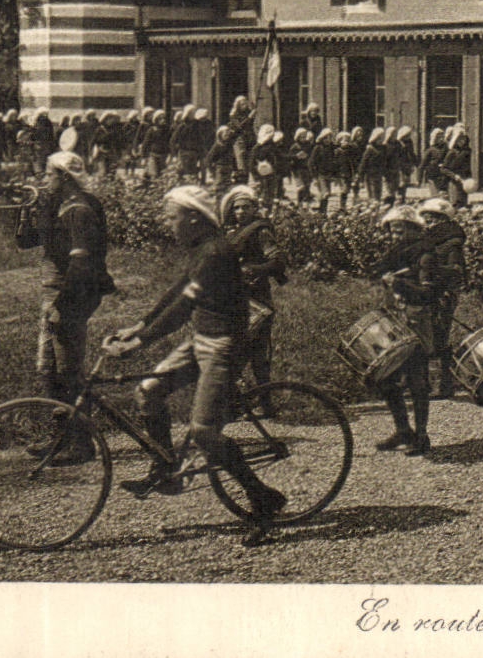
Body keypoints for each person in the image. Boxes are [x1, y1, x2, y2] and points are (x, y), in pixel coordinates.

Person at [103, 186, 286, 535]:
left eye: (171, 217)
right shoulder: (202, 249)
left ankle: (263, 498)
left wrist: (140, 342)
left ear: (192, 217)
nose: (167, 223)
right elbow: (177, 291)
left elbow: (185, 304)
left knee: (203, 432)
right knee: (148, 391)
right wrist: (139, 325)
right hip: (200, 339)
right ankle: (165, 470)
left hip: (223, 345)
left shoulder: (216, 252)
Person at [16, 149, 113, 462]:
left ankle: (81, 443)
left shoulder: (78, 210)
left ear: (64, 176)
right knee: (52, 368)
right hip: (58, 292)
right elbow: (28, 241)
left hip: (71, 293)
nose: (44, 180)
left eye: (49, 174)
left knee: (68, 368)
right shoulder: (62, 205)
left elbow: (81, 265)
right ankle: (61, 436)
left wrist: (62, 305)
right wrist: (26, 212)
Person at [369, 205, 437, 454]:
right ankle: (402, 430)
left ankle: (421, 436)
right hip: (396, 319)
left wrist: (398, 283)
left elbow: (428, 293)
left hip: (417, 321)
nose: (395, 237)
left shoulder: (425, 256)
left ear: (412, 229)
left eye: (399, 231)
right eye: (392, 232)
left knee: (417, 382)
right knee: (386, 378)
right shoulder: (396, 253)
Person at [220, 184, 287, 390]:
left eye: (245, 207)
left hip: (258, 301)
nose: (240, 212)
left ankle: (265, 402)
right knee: (234, 348)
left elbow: (277, 260)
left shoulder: (260, 231)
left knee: (258, 352)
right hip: (238, 298)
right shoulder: (233, 232)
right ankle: (236, 399)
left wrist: (253, 270)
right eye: (237, 208)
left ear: (254, 209)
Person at [415, 197, 469, 399]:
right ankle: (427, 381)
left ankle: (443, 383)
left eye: (433, 219)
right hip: (428, 291)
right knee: (425, 334)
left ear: (443, 220)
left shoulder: (450, 243)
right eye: (427, 219)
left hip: (443, 294)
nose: (429, 223)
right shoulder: (430, 239)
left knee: (438, 335)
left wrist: (432, 270)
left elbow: (456, 271)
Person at [443, 127, 473, 209]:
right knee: (455, 204)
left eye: (463, 139)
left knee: (463, 204)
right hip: (454, 182)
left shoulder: (467, 152)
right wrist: (454, 176)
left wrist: (469, 178)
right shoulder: (452, 152)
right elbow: (444, 168)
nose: (462, 141)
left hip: (464, 182)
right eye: (460, 139)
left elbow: (468, 167)